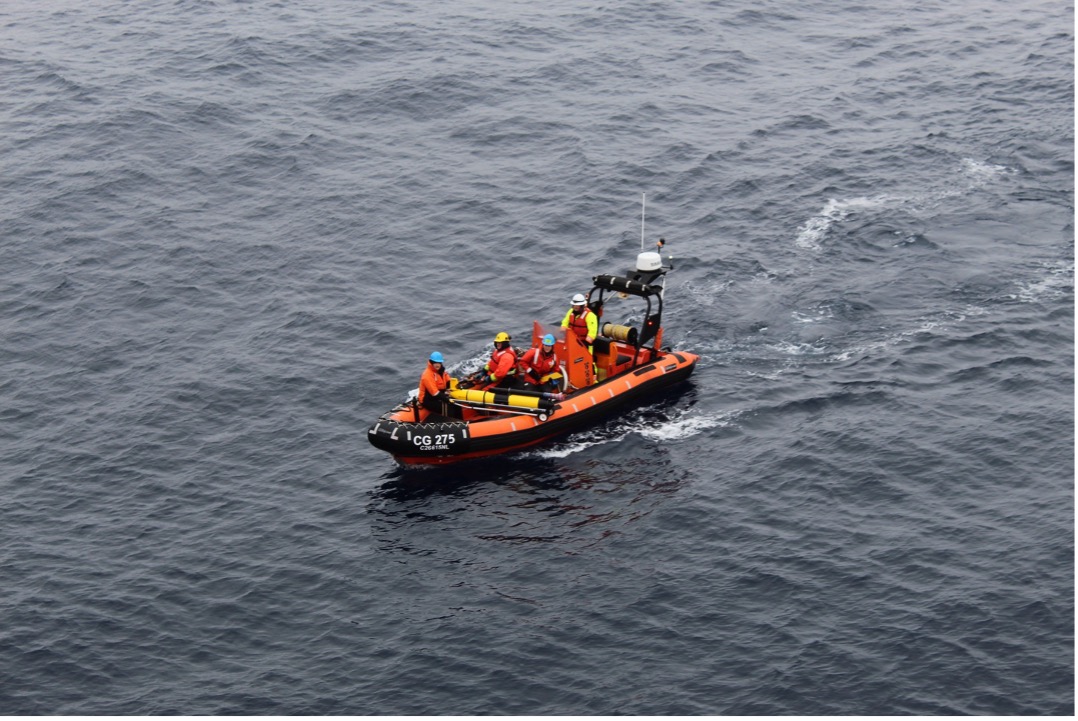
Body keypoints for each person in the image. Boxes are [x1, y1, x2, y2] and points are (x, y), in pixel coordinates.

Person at [418, 351, 453, 416]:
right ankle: (447, 422)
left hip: (437, 395)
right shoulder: (427, 375)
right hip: (427, 399)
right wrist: (447, 399)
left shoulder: (441, 370)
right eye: (435, 363)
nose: (437, 364)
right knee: (448, 407)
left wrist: (449, 388)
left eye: (439, 363)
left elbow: (447, 378)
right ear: (431, 363)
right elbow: (434, 393)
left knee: (454, 404)